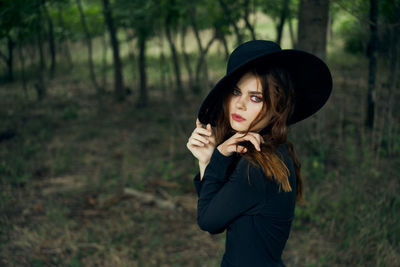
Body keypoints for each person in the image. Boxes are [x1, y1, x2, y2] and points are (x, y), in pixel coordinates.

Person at [186, 40, 332, 267]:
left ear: (276, 105)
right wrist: (208, 160)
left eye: (256, 97)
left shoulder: (259, 167)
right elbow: (218, 213)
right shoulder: (270, 152)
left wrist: (218, 157)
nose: (240, 105)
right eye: (236, 92)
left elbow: (208, 221)